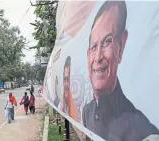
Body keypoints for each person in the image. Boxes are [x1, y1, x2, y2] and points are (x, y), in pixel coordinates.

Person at [82, 1, 159, 140]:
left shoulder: (144, 133)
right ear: (88, 55)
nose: (98, 57)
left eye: (107, 41)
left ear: (121, 46)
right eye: (94, 47)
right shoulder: (87, 112)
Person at [61, 56, 79, 122]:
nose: (66, 84)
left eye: (68, 79)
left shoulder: (77, 112)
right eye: (65, 79)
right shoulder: (61, 105)